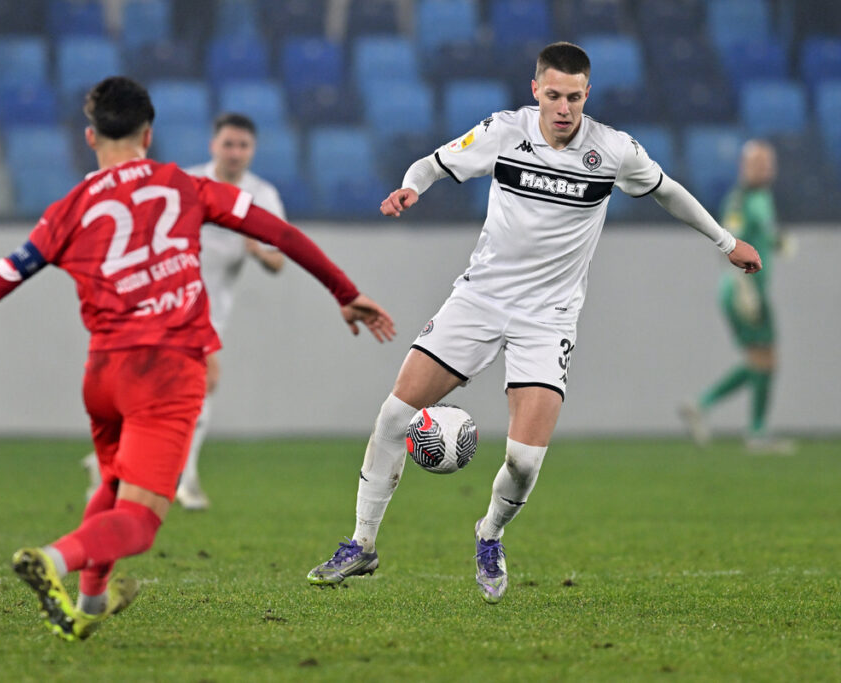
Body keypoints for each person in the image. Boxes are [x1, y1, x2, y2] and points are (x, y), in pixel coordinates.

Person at [0, 76, 395, 641]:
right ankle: (54, 559)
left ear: (90, 137)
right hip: (166, 371)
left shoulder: (67, 208)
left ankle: (88, 606)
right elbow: (279, 233)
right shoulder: (184, 185)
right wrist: (343, 291)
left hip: (103, 376)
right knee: (139, 522)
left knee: (114, 486)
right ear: (149, 133)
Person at [306, 42, 762, 604]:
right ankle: (362, 543)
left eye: (574, 97)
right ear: (536, 91)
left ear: (587, 94)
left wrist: (725, 241)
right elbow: (434, 163)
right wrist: (411, 187)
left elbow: (667, 192)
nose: (564, 107)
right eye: (553, 95)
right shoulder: (504, 131)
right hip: (479, 301)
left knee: (523, 463)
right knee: (394, 415)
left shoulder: (614, 150)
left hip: (548, 320)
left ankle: (489, 534)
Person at [79, 113, 290, 509]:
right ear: (213, 145)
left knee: (173, 390)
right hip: (167, 299)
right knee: (197, 386)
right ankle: (180, 479)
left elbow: (280, 261)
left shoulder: (262, 196)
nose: (235, 152)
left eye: (242, 145)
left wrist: (260, 252)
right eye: (228, 144)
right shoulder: (186, 182)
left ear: (252, 151)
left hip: (213, 310)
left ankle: (116, 464)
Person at [679, 141, 794, 454]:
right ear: (745, 167)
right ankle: (752, 431)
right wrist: (744, 288)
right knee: (764, 359)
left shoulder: (762, 198)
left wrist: (777, 243)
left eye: (769, 163)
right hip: (743, 287)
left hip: (753, 287)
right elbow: (728, 244)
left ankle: (708, 408)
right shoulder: (740, 200)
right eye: (759, 163)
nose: (766, 169)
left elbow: (763, 236)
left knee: (763, 360)